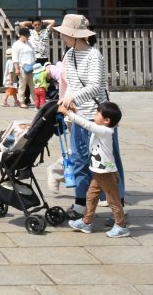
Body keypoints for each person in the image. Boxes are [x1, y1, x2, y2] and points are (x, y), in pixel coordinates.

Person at [55, 14, 126, 222]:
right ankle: (80, 205)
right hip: (78, 116)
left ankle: (118, 208)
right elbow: (67, 86)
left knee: (109, 163)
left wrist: (71, 99)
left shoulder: (95, 55)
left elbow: (96, 85)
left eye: (66, 34)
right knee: (79, 160)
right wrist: (67, 111)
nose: (63, 37)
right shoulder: (69, 55)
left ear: (75, 35)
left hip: (98, 117)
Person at [61, 100, 129, 237]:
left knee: (112, 200)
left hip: (106, 173)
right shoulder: (101, 128)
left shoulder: (105, 131)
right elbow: (88, 123)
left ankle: (121, 226)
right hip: (98, 172)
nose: (95, 115)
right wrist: (76, 112)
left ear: (107, 120)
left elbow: (87, 124)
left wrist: (67, 113)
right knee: (91, 196)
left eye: (98, 113)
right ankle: (86, 222)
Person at [10, 27, 35, 109]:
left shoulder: (29, 43)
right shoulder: (16, 44)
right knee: (22, 85)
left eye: (28, 36)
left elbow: (33, 54)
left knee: (33, 85)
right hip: (22, 67)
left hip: (31, 66)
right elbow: (15, 57)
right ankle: (21, 102)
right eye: (26, 36)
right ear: (21, 35)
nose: (27, 37)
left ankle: (36, 100)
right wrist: (16, 68)